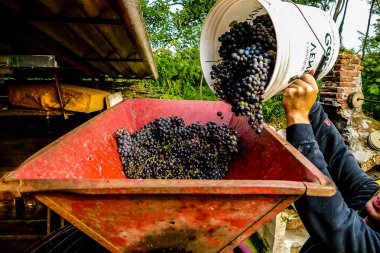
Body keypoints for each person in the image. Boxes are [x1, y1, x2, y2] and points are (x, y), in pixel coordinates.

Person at [282, 72, 380, 252]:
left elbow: (335, 222)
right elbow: (337, 154)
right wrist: (308, 103)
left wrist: (298, 117)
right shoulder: (369, 194)